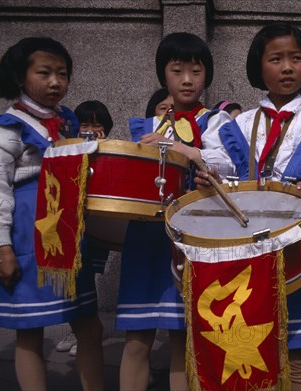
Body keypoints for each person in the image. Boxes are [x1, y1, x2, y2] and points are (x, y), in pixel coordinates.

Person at [194, 23, 301, 390]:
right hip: (245, 251)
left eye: (296, 58)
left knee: (298, 354)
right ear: (258, 67)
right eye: (276, 59)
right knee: (247, 346)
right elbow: (222, 167)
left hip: (297, 247)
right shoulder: (238, 124)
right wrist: (208, 176)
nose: (288, 67)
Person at [119, 32, 231, 391]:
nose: (187, 80)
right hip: (146, 235)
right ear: (162, 75)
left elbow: (225, 163)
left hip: (193, 237)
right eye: (177, 70)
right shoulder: (145, 126)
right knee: (137, 338)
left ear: (207, 76)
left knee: (183, 341)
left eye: (196, 71)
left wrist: (181, 148)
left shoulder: (216, 122)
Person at [0, 36, 104, 391]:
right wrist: (2, 250)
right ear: (19, 76)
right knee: (29, 331)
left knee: (89, 325)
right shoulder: (6, 128)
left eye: (62, 73)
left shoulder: (68, 123)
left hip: (69, 235)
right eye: (44, 73)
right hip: (27, 237)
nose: (56, 82)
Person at [55, 99, 114, 356]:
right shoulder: (68, 149)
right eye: (85, 124)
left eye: (97, 124)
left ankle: (87, 331)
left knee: (87, 277)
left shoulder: (110, 151)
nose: (89, 129)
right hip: (71, 223)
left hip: (96, 225)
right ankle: (76, 329)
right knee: (73, 279)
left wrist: (99, 145)